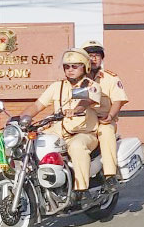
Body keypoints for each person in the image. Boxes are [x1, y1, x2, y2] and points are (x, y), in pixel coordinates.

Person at [16, 48, 102, 198]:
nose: (70, 70)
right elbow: (37, 105)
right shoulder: (57, 86)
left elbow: (87, 100)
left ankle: (83, 190)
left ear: (85, 67)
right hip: (58, 131)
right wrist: (23, 118)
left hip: (83, 133)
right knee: (35, 142)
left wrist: (76, 110)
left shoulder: (90, 85)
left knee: (77, 147)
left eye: (75, 66)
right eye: (67, 67)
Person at [83, 40, 128, 193]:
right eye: (89, 55)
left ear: (102, 58)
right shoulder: (77, 78)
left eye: (96, 55)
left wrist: (110, 115)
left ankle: (110, 175)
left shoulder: (110, 78)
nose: (93, 59)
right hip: (82, 122)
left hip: (103, 120)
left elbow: (118, 100)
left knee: (106, 132)